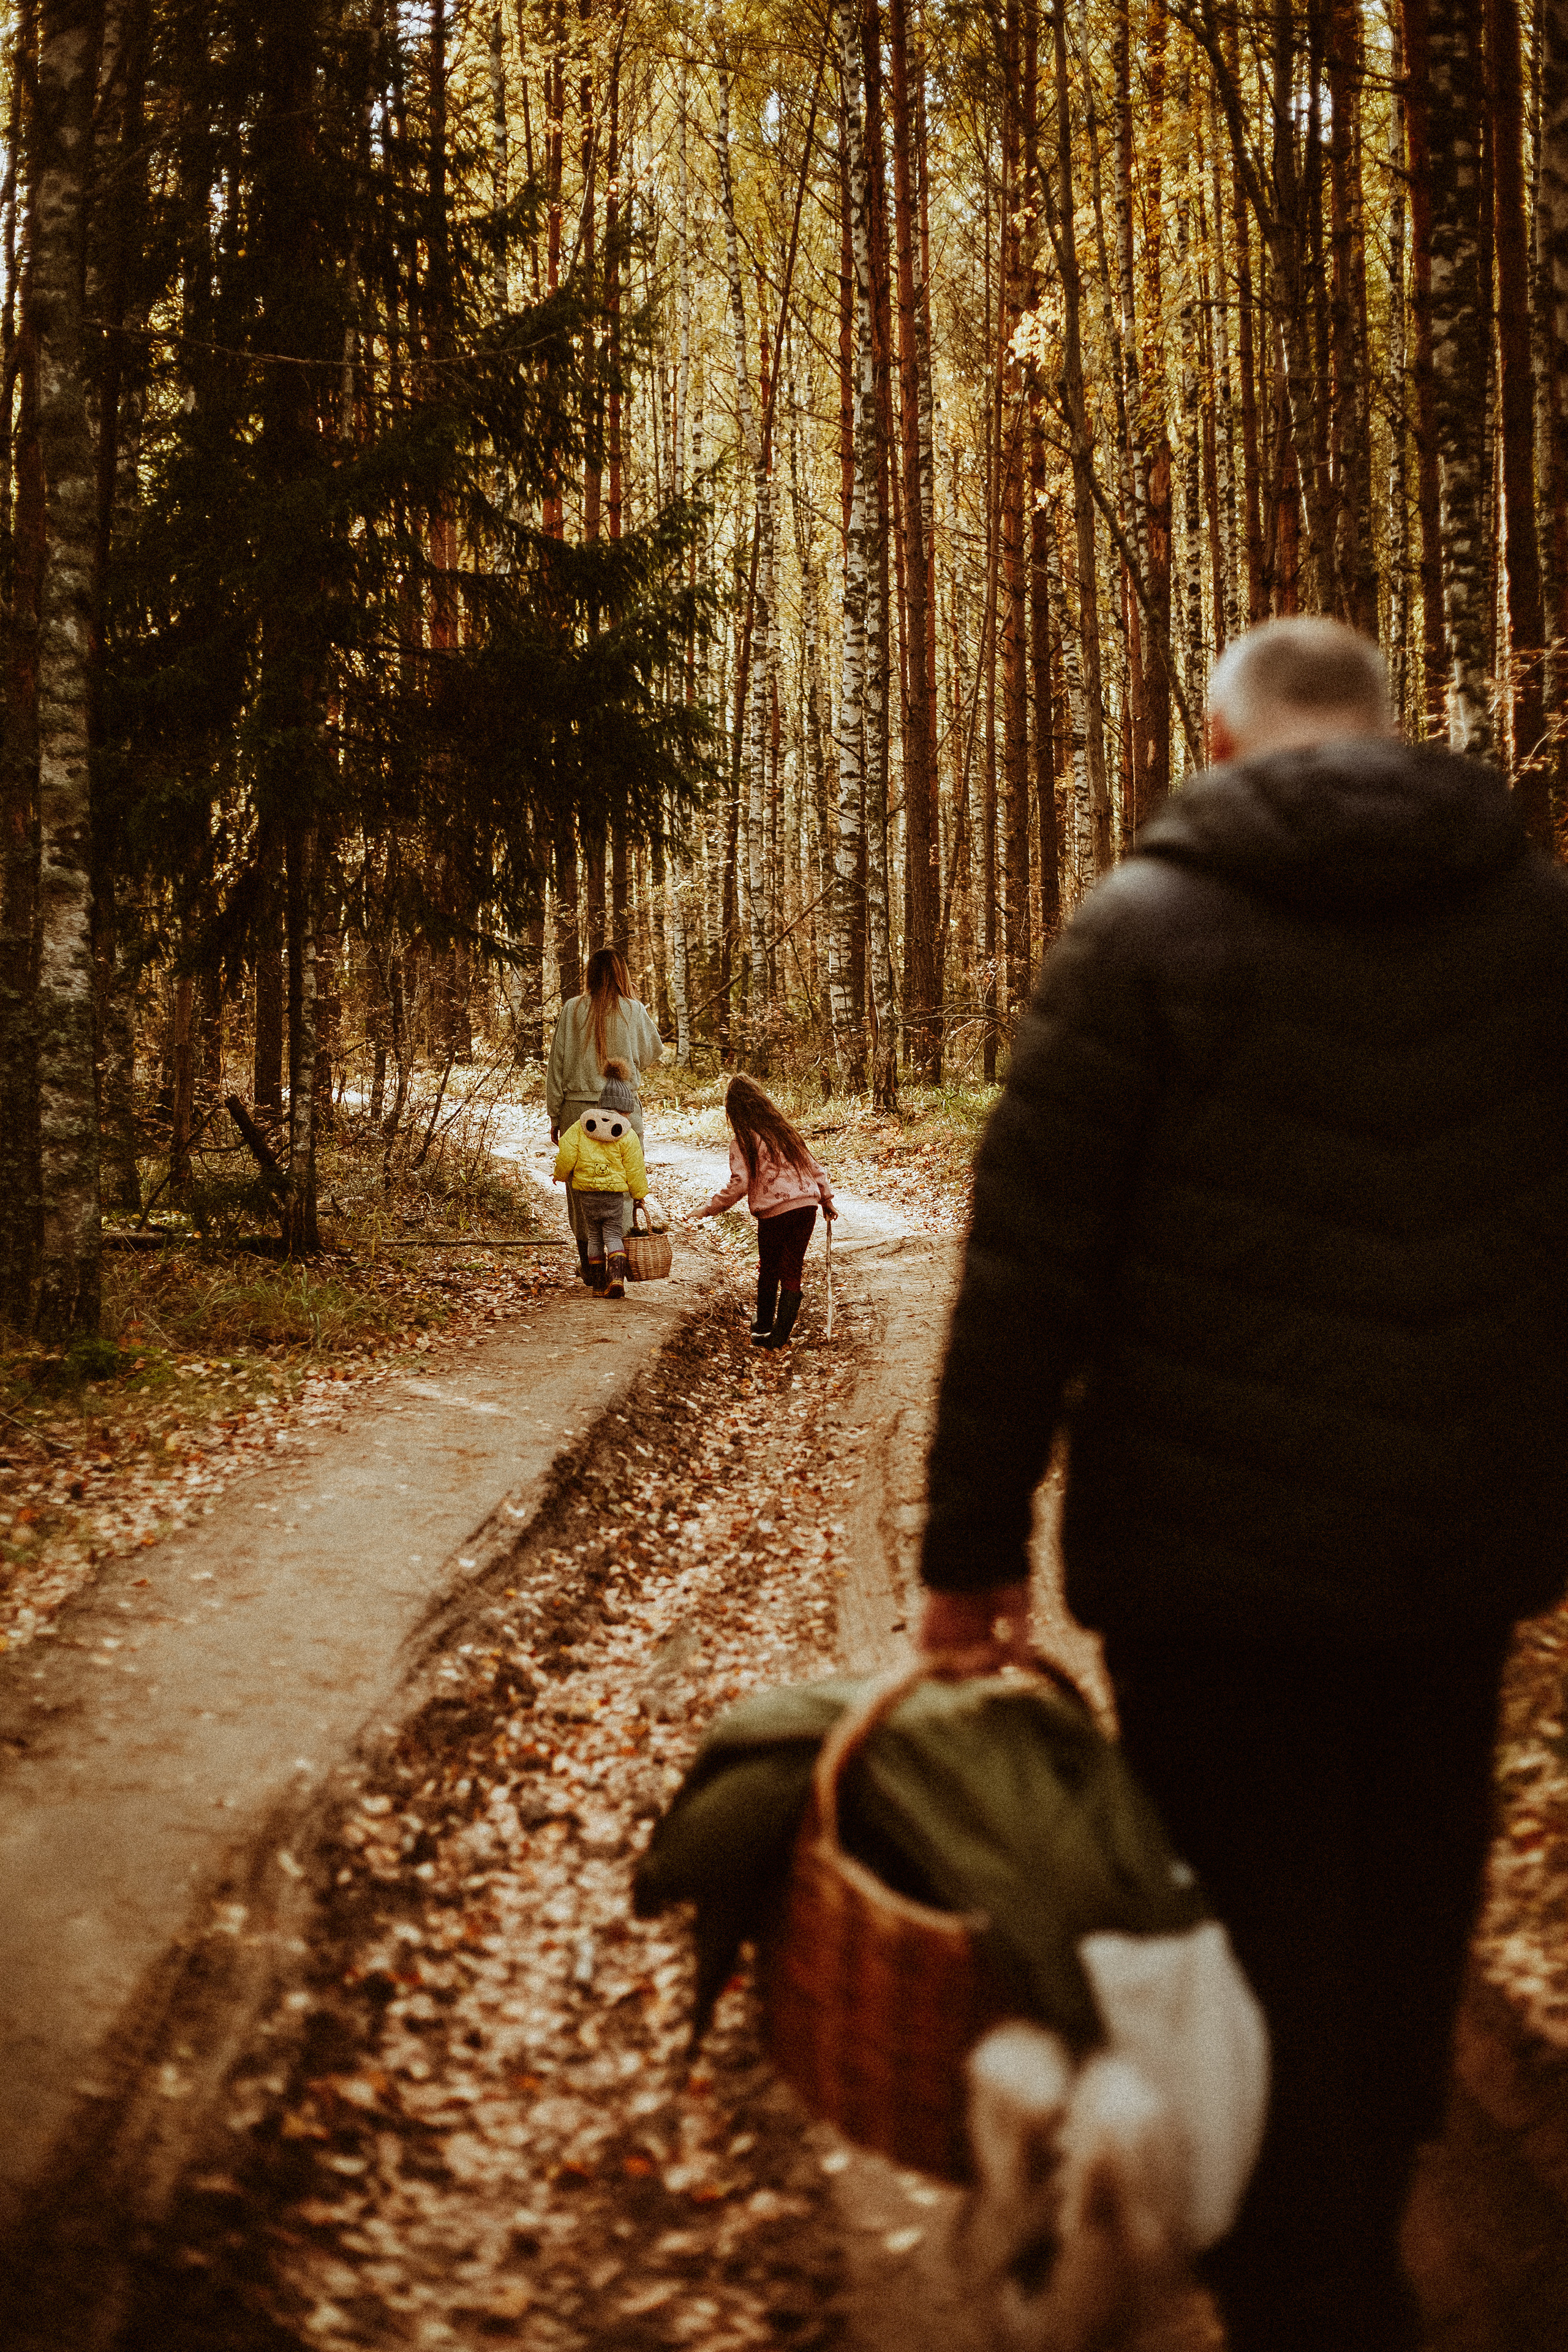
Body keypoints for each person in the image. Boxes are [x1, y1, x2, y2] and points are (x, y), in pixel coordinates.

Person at [917, 616, 1568, 2352]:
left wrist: (968, 1557)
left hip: (1214, 1583)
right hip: (1453, 1556)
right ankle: (1345, 2230)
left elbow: (1027, 1269)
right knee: (1413, 1898)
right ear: (1381, 736)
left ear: (1220, 744)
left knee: (1256, 1931)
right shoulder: (1535, 931)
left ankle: (1312, 2284)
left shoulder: (1143, 933)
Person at [546, 948, 663, 1283]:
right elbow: (651, 1052)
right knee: (623, 1184)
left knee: (580, 1187)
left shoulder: (572, 1009)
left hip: (578, 1110)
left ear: (590, 974)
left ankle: (591, 1266)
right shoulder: (634, 1010)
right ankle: (617, 1264)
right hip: (624, 1109)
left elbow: (557, 1065)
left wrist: (556, 1114)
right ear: (621, 973)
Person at [696, 1075, 837, 1349]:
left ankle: (765, 1327)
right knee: (792, 1269)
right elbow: (815, 1167)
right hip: (806, 1206)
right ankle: (777, 1336)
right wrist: (826, 1199)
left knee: (770, 1268)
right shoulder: (785, 1133)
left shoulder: (743, 1141)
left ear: (733, 1110)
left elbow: (741, 1183)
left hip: (775, 1213)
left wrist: (709, 1208)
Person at [552, 1065, 648, 1298]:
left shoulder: (580, 1126)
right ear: (625, 1109)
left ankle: (597, 1284)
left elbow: (567, 1153)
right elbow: (635, 1167)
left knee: (594, 1236)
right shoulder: (627, 1133)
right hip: (613, 1196)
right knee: (613, 1235)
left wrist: (561, 1174)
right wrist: (638, 1193)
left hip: (587, 1194)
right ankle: (616, 1279)